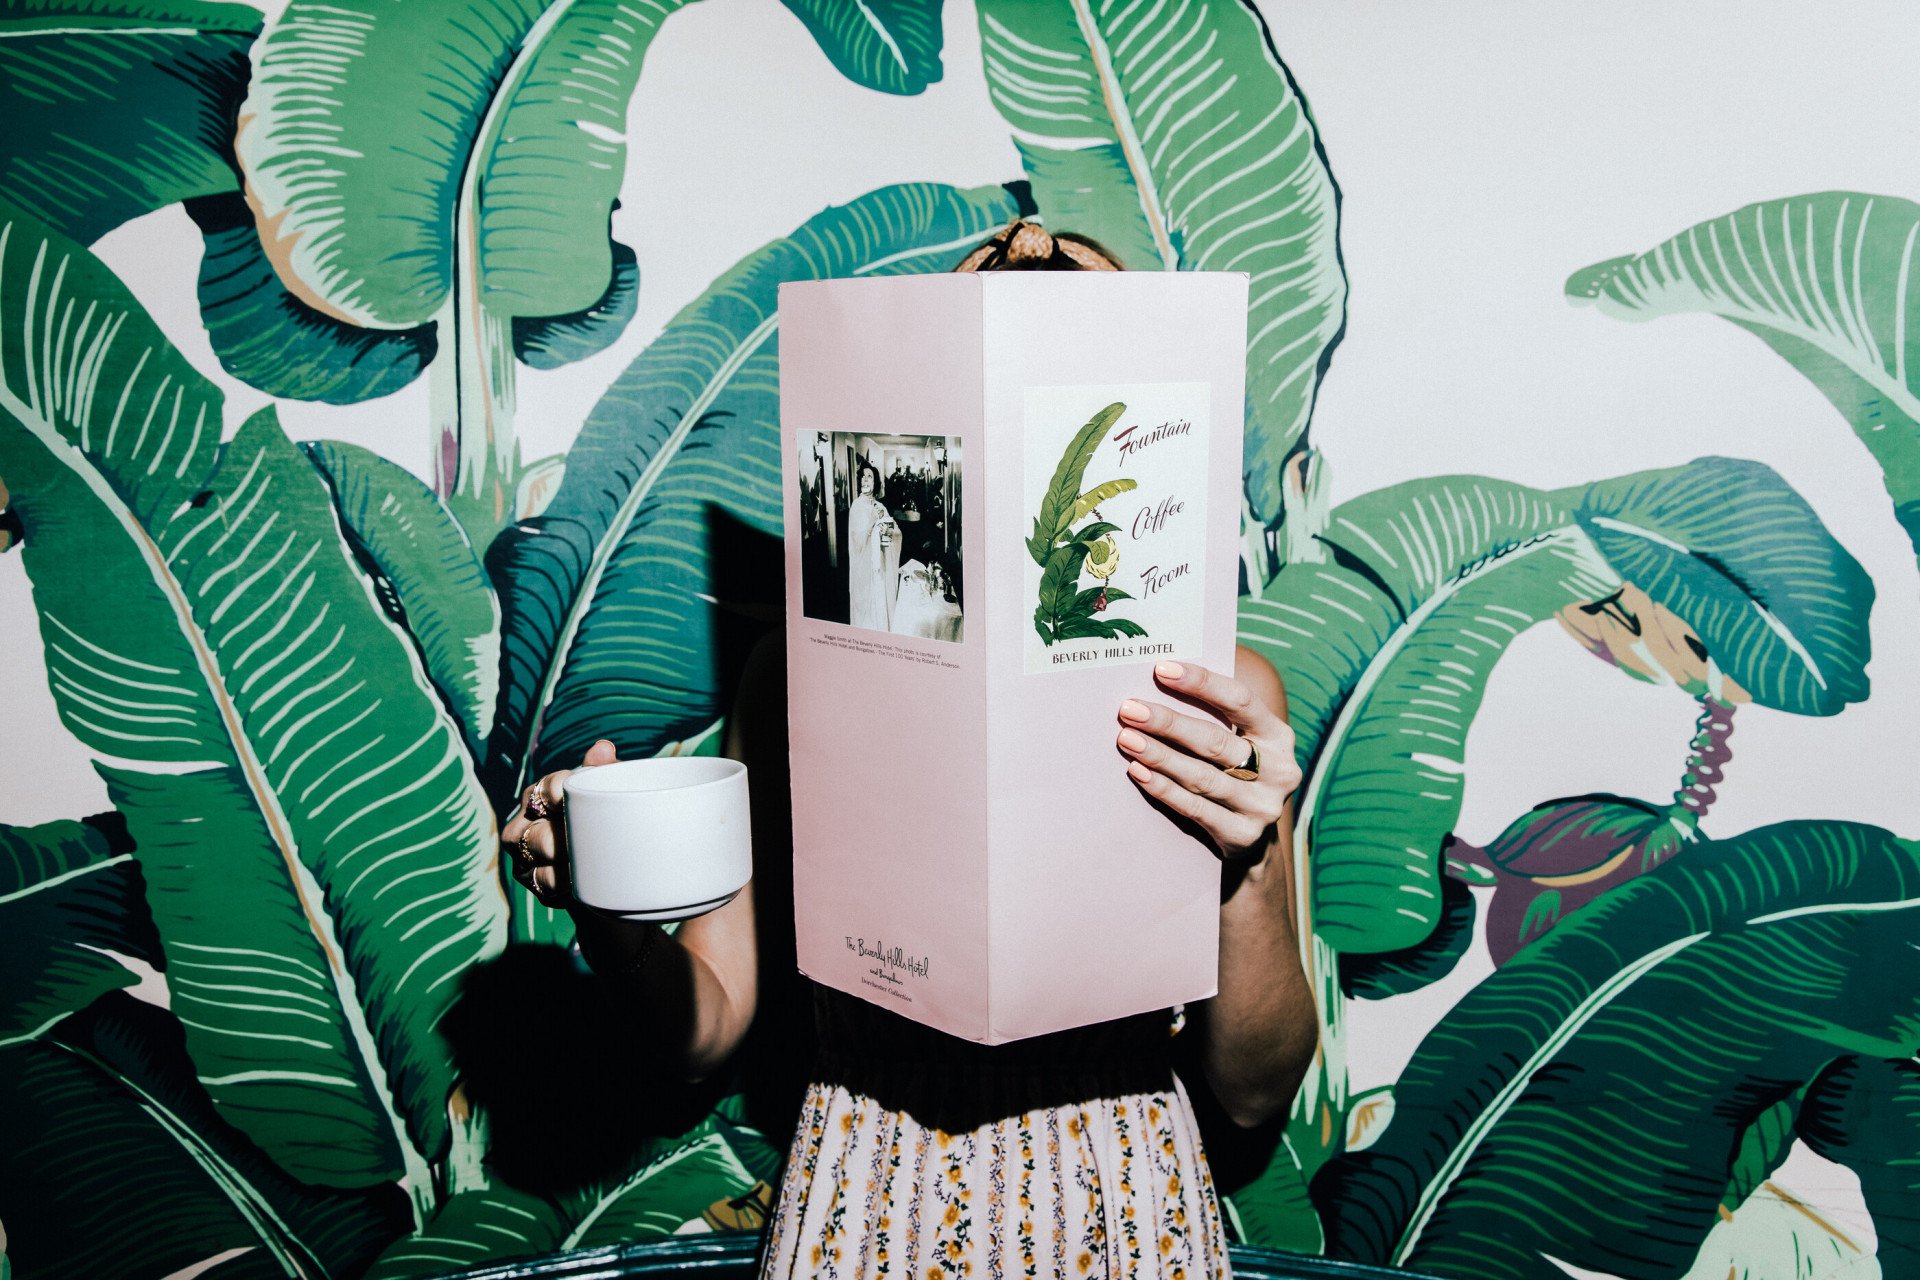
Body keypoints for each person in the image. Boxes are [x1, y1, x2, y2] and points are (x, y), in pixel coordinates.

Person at [503, 221, 1317, 1279]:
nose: (1031, 241)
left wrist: (1248, 861)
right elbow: (705, 1033)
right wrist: (606, 906)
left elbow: (1254, 1092)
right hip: (863, 1188)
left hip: (1115, 1195)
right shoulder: (792, 672)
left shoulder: (1228, 694)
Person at [846, 462, 899, 631]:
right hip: (863, 570)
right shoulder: (856, 506)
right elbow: (858, 543)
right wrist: (871, 521)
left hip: (879, 570)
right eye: (862, 476)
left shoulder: (880, 507)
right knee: (865, 618)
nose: (865, 480)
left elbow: (896, 531)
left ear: (875, 482)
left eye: (869, 476)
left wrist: (887, 530)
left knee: (879, 611)